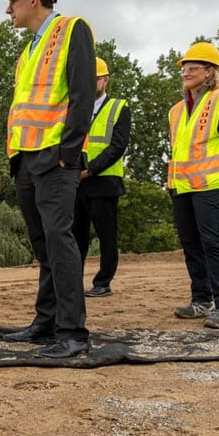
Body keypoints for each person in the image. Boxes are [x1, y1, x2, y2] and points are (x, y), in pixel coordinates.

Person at [0, 0, 95, 358]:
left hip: (55, 157)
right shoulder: (29, 50)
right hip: (26, 158)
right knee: (43, 243)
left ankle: (72, 332)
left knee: (60, 240)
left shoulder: (72, 30)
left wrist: (68, 153)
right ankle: (46, 320)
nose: (9, 9)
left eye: (13, 0)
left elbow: (82, 93)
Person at [169, 42, 219, 330]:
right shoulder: (177, 110)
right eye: (184, 69)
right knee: (191, 244)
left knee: (212, 243)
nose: (186, 73)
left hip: (212, 184)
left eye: (193, 68)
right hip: (181, 185)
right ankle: (202, 300)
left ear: (210, 71)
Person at [72, 57, 131, 298]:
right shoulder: (74, 108)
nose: (91, 82)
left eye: (96, 78)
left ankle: (103, 282)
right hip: (75, 182)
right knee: (76, 237)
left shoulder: (119, 107)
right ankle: (72, 281)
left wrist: (91, 170)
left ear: (105, 80)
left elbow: (118, 146)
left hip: (103, 181)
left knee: (107, 236)